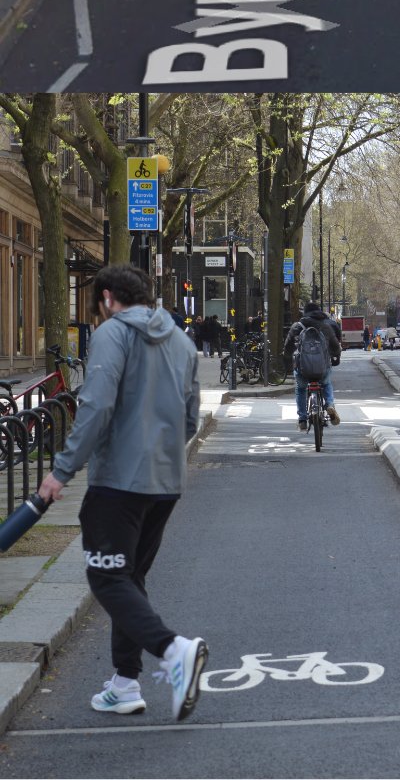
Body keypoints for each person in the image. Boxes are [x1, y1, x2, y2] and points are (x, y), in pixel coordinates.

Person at [37, 264, 207, 722]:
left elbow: (96, 404)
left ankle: (174, 651)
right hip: (166, 482)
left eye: (98, 306)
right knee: (129, 578)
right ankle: (124, 683)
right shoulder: (182, 342)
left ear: (108, 298)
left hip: (118, 483)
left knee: (106, 577)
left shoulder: (113, 334)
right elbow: (192, 417)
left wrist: (61, 470)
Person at [283, 301, 342, 432]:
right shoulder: (326, 327)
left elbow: (288, 347)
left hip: (302, 367)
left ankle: (302, 419)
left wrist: (287, 357)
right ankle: (330, 405)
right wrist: (336, 358)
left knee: (301, 389)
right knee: (326, 384)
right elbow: (335, 347)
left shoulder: (297, 326)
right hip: (323, 366)